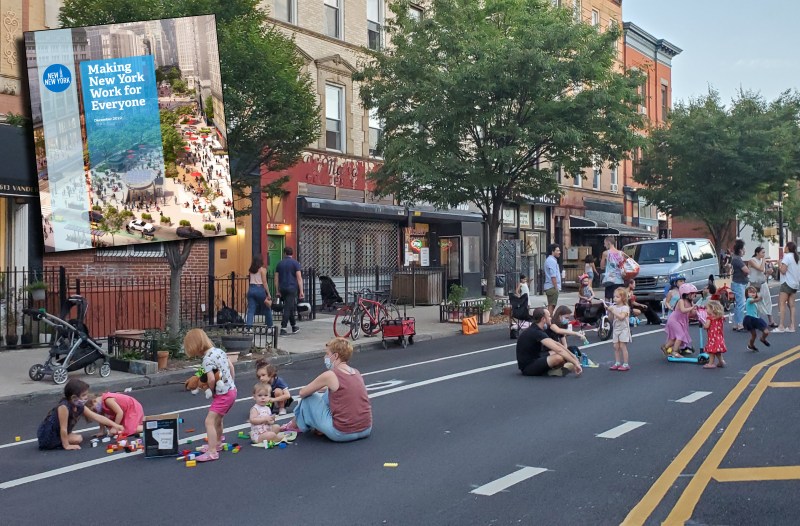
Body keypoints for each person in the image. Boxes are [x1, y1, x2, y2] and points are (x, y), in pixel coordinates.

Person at [280, 338, 372, 442]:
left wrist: (315, 389)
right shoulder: (356, 372)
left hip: (341, 433)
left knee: (309, 398)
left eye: (327, 354)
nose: (325, 357)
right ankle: (314, 425)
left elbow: (302, 393)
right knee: (330, 391)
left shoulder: (330, 375)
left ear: (335, 356)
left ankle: (294, 425)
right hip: (366, 429)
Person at [184, 328, 237, 462]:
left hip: (223, 395)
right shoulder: (219, 351)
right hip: (231, 391)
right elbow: (231, 367)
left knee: (209, 421)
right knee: (218, 419)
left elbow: (211, 379)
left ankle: (212, 451)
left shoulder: (207, 359)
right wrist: (231, 383)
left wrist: (211, 390)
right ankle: (217, 443)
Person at [37, 379, 124, 450]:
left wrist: (115, 425)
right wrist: (67, 445)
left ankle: (64, 438)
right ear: (74, 397)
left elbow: (97, 417)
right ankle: (57, 443)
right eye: (83, 395)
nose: (86, 397)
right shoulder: (64, 407)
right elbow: (63, 428)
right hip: (48, 436)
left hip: (57, 431)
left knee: (76, 437)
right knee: (78, 439)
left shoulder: (79, 406)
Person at [516, 308, 583, 377]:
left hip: (536, 357)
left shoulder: (537, 328)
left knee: (558, 353)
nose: (550, 318)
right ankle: (550, 371)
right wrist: (575, 363)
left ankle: (553, 370)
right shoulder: (536, 332)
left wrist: (573, 357)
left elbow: (557, 344)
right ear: (543, 319)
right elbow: (559, 350)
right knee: (559, 358)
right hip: (528, 367)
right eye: (549, 316)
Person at [661, 283, 697, 358]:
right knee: (680, 335)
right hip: (674, 320)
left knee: (675, 338)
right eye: (692, 293)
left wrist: (697, 310)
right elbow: (683, 310)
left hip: (682, 321)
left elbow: (692, 313)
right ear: (686, 294)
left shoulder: (691, 302)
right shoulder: (681, 301)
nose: (694, 295)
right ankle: (674, 351)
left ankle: (665, 347)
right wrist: (692, 308)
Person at [274, 247, 304, 336]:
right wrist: (301, 291)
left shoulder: (279, 264)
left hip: (283, 288)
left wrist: (277, 290)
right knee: (288, 307)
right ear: (292, 253)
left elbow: (276, 279)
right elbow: (299, 278)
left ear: (284, 253)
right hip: (292, 288)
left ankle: (294, 326)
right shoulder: (295, 263)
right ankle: (283, 328)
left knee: (289, 306)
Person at [775, 241, 800, 333]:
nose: (784, 248)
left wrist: (779, 264)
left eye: (786, 246)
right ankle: (792, 326)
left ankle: (781, 326)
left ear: (788, 248)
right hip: (795, 284)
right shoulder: (796, 257)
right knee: (792, 305)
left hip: (787, 283)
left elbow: (783, 271)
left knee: (782, 304)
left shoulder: (787, 257)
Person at [747, 246, 775, 328]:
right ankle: (755, 321)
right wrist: (764, 260)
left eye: (764, 252)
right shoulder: (752, 260)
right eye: (762, 252)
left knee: (768, 301)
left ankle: (771, 321)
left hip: (763, 283)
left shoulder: (762, 261)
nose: (764, 254)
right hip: (755, 284)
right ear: (757, 253)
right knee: (756, 302)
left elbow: (763, 274)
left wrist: (768, 273)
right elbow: (761, 269)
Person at [246, 255, 273, 329]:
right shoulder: (262, 270)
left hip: (251, 288)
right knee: (267, 308)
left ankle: (249, 328)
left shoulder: (251, 270)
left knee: (251, 310)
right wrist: (268, 293)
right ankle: (270, 327)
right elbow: (264, 282)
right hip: (259, 289)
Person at [609, 287, 632, 371]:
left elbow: (621, 317)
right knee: (616, 346)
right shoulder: (614, 307)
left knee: (622, 346)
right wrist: (610, 311)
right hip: (616, 329)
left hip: (624, 329)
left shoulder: (625, 308)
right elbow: (610, 319)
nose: (615, 298)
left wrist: (613, 311)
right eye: (614, 296)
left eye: (617, 297)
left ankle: (626, 364)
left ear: (623, 298)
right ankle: (617, 362)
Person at [743, 285, 770, 351]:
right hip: (750, 319)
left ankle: (759, 340)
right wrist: (759, 298)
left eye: (754, 292)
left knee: (763, 332)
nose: (753, 294)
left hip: (755, 318)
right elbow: (753, 301)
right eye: (750, 292)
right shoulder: (749, 300)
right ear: (747, 294)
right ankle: (752, 344)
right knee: (754, 334)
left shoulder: (754, 302)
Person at [730, 239, 749, 332]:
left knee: (738, 304)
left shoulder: (735, 259)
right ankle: (740, 323)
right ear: (740, 250)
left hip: (738, 282)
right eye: (743, 249)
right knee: (741, 304)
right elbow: (746, 270)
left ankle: (736, 323)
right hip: (739, 283)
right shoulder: (737, 259)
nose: (744, 251)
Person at [702, 300, 728, 369]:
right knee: (717, 350)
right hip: (719, 336)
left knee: (711, 351)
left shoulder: (710, 318)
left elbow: (707, 326)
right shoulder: (720, 317)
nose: (706, 310)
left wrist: (704, 325)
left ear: (712, 309)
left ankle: (711, 363)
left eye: (707, 308)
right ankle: (721, 361)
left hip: (712, 336)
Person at [543, 244, 562, 315]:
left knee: (552, 305)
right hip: (552, 286)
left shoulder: (551, 260)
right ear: (552, 251)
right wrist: (556, 287)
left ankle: (549, 318)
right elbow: (553, 276)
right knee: (551, 306)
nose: (559, 252)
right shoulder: (551, 261)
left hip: (551, 286)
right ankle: (549, 319)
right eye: (557, 250)